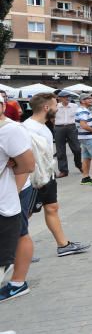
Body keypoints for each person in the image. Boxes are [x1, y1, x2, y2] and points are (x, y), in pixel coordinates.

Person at [21, 93, 90, 258]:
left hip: (47, 175)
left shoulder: (44, 126)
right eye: (55, 105)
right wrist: (36, 179)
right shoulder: (26, 128)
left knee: (52, 208)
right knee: (25, 214)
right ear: (46, 108)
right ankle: (17, 252)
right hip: (35, 179)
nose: (57, 108)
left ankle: (63, 245)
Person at [0, 114, 34, 305]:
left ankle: (17, 282)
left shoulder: (10, 129)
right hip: (8, 193)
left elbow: (28, 165)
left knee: (21, 232)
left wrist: (11, 193)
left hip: (12, 191)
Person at [53, 90, 82, 177]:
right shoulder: (56, 106)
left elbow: (78, 117)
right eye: (65, 97)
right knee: (60, 150)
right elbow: (51, 117)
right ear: (60, 98)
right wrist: (55, 126)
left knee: (77, 149)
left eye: (68, 97)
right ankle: (63, 170)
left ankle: (79, 164)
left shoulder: (74, 106)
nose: (67, 98)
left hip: (71, 127)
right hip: (59, 127)